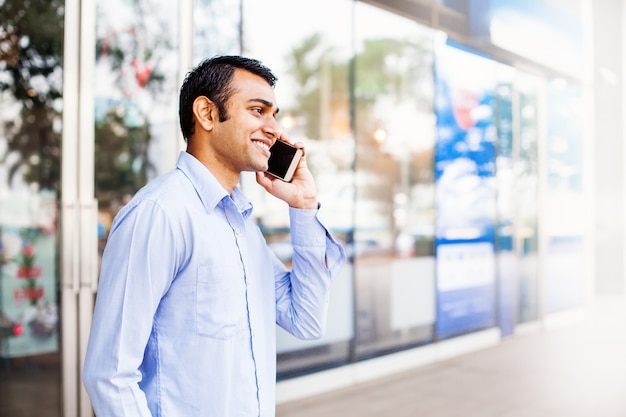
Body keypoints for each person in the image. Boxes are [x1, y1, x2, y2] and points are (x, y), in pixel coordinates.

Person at [82, 55, 346, 416]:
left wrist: (304, 205)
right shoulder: (160, 214)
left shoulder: (241, 227)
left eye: (274, 114)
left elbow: (307, 319)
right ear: (207, 114)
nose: (273, 128)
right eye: (258, 110)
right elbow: (109, 375)